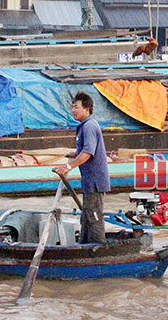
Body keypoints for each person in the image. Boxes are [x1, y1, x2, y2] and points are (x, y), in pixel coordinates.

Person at [52, 92, 109, 244]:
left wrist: (68, 166)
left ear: (86, 109)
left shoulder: (89, 126)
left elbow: (88, 153)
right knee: (86, 216)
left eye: (76, 107)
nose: (73, 110)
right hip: (89, 181)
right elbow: (85, 150)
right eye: (72, 107)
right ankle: (84, 245)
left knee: (93, 216)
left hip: (95, 181)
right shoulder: (84, 126)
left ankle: (98, 248)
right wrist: (74, 153)